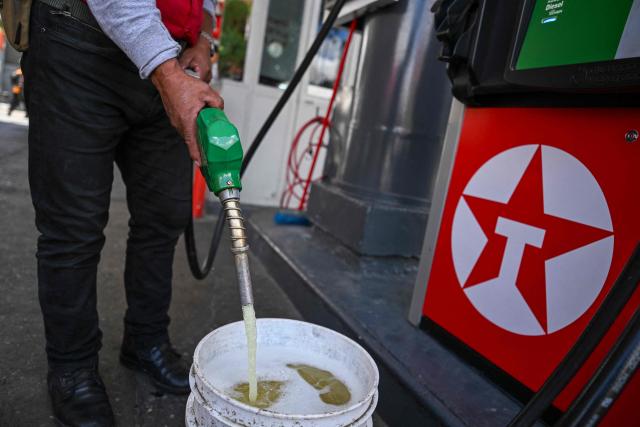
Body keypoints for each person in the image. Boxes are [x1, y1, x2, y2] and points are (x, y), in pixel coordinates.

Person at [21, 0, 224, 426]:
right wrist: (166, 72)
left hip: (171, 55)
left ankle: (145, 341)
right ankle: (72, 369)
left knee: (165, 214)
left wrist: (204, 40)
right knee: (72, 227)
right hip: (79, 45)